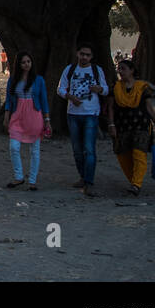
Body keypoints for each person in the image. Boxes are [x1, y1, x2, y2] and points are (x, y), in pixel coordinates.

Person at [57, 45, 109, 197]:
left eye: (87, 55)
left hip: (91, 113)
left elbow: (106, 89)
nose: (84, 57)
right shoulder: (69, 69)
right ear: (77, 53)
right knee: (77, 149)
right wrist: (69, 97)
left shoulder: (97, 70)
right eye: (82, 54)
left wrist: (99, 89)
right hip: (73, 113)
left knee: (89, 149)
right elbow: (60, 89)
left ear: (91, 57)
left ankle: (89, 182)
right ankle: (82, 176)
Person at [108, 60, 155, 197]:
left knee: (139, 154)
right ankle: (133, 180)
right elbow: (111, 108)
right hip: (121, 126)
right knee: (123, 155)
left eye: (123, 68)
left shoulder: (142, 87)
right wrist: (111, 124)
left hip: (141, 125)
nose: (120, 71)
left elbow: (149, 107)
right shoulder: (115, 87)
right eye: (118, 69)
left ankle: (136, 184)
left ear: (132, 70)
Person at [3, 53, 50, 190]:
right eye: (23, 62)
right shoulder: (13, 80)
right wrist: (6, 116)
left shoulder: (39, 80)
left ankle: (33, 180)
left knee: (34, 150)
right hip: (17, 116)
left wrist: (47, 120)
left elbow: (44, 101)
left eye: (29, 61)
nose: (26, 64)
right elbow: (9, 100)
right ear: (19, 64)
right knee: (14, 147)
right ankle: (19, 177)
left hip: (34, 116)